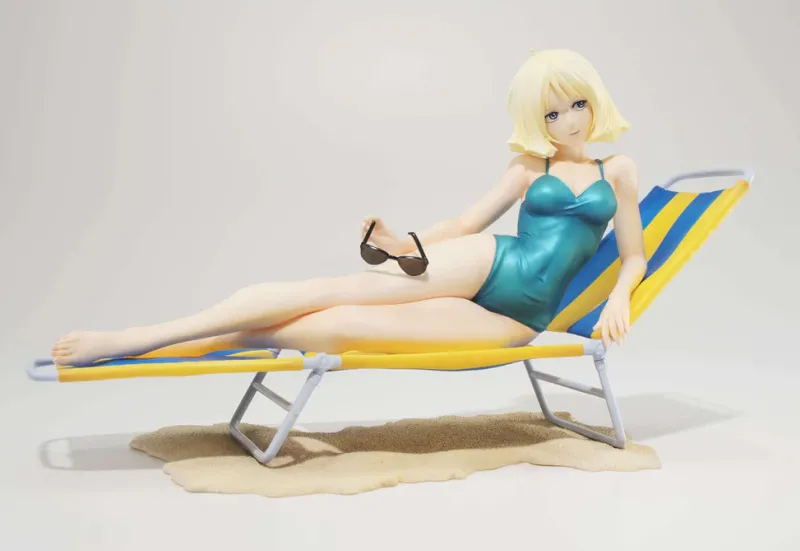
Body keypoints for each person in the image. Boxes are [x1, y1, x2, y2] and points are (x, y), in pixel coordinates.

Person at [51, 49, 647, 367]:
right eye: (551, 113)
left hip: (521, 316)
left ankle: (186, 346)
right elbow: (466, 223)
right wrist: (402, 245)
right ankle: (140, 336)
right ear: (535, 122)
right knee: (331, 289)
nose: (569, 121)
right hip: (490, 260)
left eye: (576, 105)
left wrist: (620, 296)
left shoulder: (616, 171)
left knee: (341, 327)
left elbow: (634, 256)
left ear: (594, 101)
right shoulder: (529, 167)